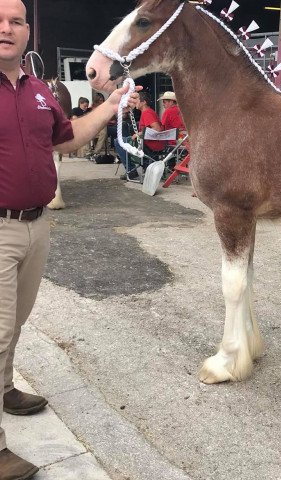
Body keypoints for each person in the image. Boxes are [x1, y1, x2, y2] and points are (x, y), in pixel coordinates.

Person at [0, 1, 140, 478]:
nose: (7, 28)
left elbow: (67, 139)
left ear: (26, 32)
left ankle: (4, 389)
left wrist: (110, 105)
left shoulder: (40, 90)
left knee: (13, 324)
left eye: (16, 21)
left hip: (37, 226)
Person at [115, 91, 164, 179]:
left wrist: (139, 134)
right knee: (125, 136)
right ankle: (133, 169)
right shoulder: (147, 112)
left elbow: (157, 129)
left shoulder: (147, 113)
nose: (134, 102)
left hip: (150, 145)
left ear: (144, 102)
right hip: (151, 142)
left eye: (136, 100)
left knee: (118, 141)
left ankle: (131, 170)